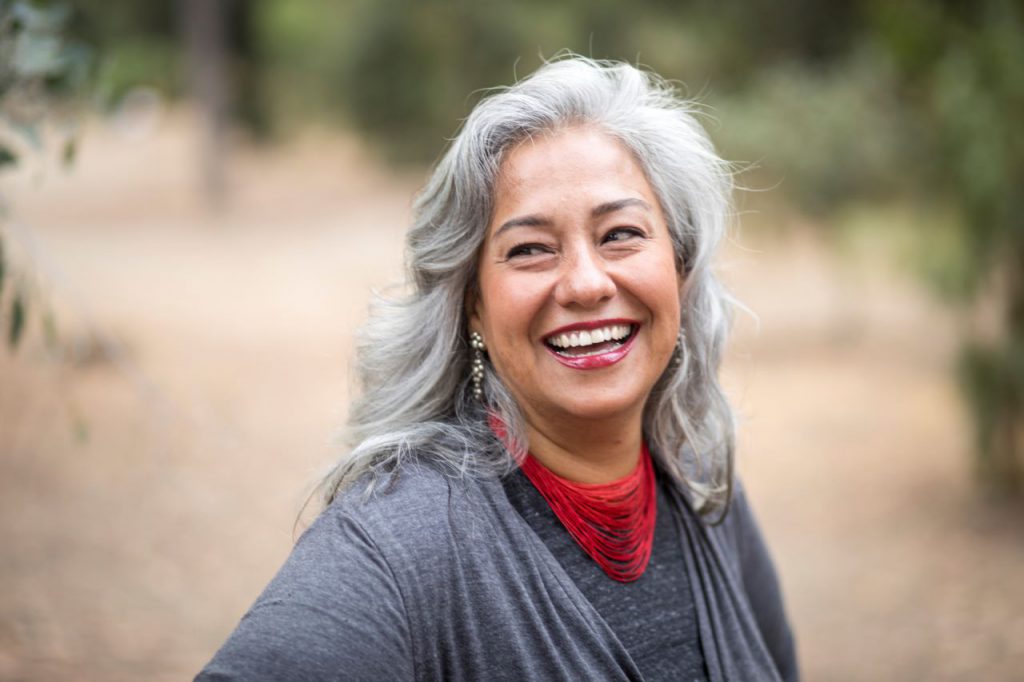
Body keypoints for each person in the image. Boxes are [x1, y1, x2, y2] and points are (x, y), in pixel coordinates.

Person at [197, 55, 798, 681]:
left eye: (620, 233)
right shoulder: (404, 541)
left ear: (681, 270)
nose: (587, 284)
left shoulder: (701, 482)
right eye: (530, 249)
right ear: (473, 307)